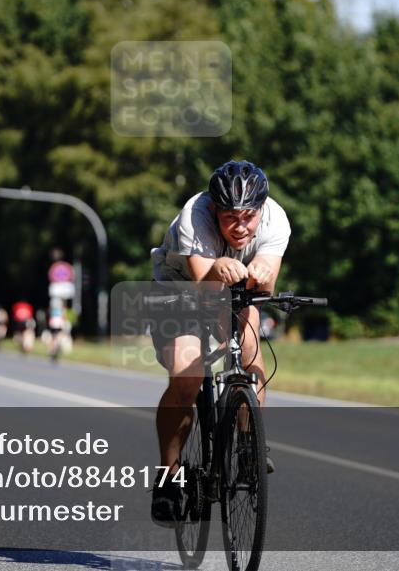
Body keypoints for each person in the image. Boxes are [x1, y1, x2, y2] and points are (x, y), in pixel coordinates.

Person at [147, 160, 290, 526]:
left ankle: (247, 447)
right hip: (180, 288)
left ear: (260, 209)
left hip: (234, 288)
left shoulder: (277, 220)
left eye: (248, 217)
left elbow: (267, 282)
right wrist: (216, 269)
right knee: (187, 377)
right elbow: (202, 284)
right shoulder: (194, 216)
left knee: (251, 344)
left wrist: (261, 274)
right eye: (230, 217)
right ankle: (168, 475)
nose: (240, 228)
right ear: (214, 209)